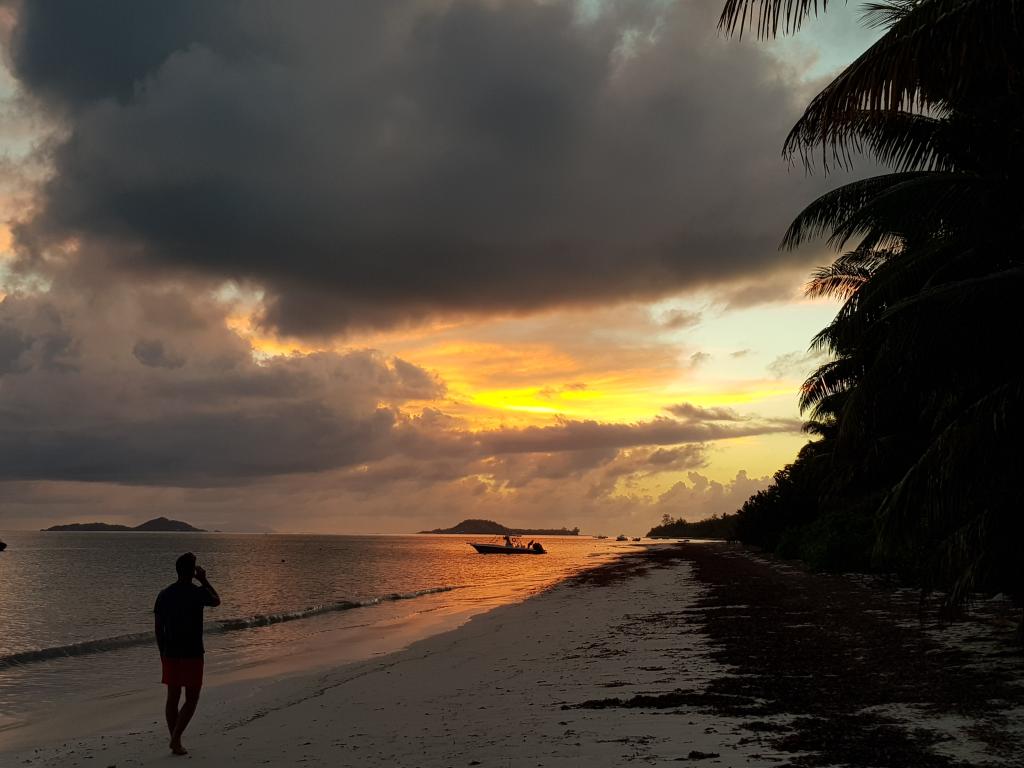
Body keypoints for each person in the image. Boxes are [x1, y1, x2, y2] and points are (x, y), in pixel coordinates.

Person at [154, 552, 220, 756]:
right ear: (192, 572)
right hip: (192, 652)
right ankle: (175, 739)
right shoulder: (197, 592)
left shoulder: (164, 594)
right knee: (191, 698)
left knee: (172, 697)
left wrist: (161, 651)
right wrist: (204, 579)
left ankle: (176, 740)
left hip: (170, 651)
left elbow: (158, 628)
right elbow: (216, 600)